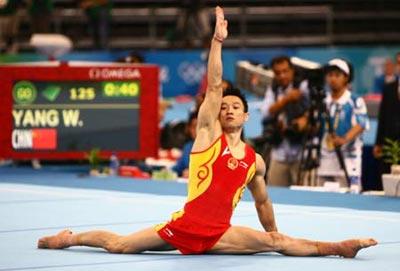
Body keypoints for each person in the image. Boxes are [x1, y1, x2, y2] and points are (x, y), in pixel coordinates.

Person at [37, 7, 376, 257]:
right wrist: (216, 41)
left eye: (234, 107)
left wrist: (275, 238)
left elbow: (263, 201)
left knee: (277, 241)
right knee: (120, 245)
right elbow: (215, 86)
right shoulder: (206, 138)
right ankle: (70, 237)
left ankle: (338, 247)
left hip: (220, 235)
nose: (227, 109)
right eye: (223, 107)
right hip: (184, 227)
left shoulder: (254, 161)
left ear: (246, 117)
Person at [318, 59, 369, 191]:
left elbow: (361, 124)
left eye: (337, 75)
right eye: (330, 75)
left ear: (346, 78)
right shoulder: (323, 101)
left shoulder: (355, 100)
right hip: (325, 160)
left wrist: (344, 139)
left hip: (348, 161)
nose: (332, 79)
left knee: (350, 199)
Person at [260, 56, 309, 187]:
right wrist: (285, 100)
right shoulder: (274, 89)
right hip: (279, 152)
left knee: (303, 197)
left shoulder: (303, 86)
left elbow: (317, 110)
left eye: (285, 71)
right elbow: (265, 114)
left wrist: (305, 118)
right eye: (277, 73)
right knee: (273, 195)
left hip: (301, 153)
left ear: (292, 70)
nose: (282, 76)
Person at [373, 69, 400, 178]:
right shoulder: (388, 88)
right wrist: (378, 142)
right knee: (388, 177)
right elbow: (383, 116)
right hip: (389, 141)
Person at [172, 111, 197, 178]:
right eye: (194, 127)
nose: (197, 130)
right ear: (189, 129)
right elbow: (178, 168)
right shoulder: (188, 147)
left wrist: (194, 174)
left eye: (200, 126)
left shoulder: (213, 148)